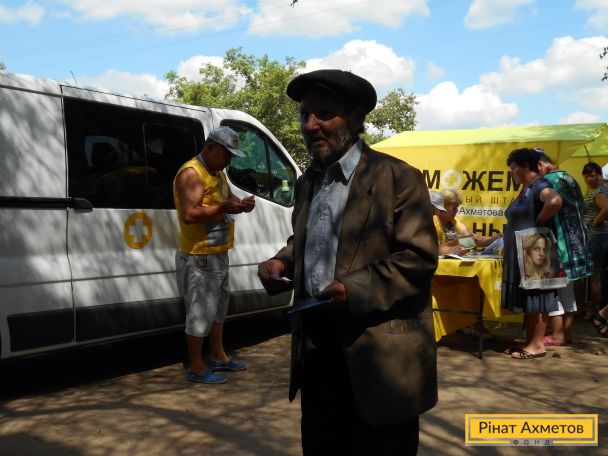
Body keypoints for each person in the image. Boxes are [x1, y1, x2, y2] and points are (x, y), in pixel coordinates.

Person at [257, 69, 438, 455]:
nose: (310, 125)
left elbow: (418, 258)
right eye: (305, 115)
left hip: (379, 358)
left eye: (324, 114)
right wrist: (282, 261)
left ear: (357, 119)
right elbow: (308, 239)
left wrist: (352, 289)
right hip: (316, 351)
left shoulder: (398, 178)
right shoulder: (308, 181)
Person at [173, 126, 255, 384]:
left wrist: (242, 205)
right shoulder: (191, 173)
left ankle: (218, 356)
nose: (229, 160)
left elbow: (229, 200)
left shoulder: (217, 173)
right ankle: (196, 367)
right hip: (199, 257)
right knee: (199, 312)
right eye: (226, 154)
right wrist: (222, 207)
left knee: (218, 309)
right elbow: (188, 214)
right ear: (210, 148)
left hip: (218, 254)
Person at [502, 148, 562, 359]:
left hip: (535, 252)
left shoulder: (540, 186)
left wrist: (541, 220)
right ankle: (530, 341)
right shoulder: (526, 189)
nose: (512, 173)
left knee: (538, 296)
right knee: (530, 298)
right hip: (524, 253)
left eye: (513, 168)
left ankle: (537, 345)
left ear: (526, 166)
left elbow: (554, 201)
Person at [537, 153, 593, 346]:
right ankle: (566, 334)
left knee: (553, 289)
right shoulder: (570, 179)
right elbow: (584, 209)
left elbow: (552, 204)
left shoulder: (548, 181)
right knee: (567, 290)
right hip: (576, 241)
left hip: (559, 241)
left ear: (540, 165)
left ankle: (557, 335)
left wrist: (540, 219)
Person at [433, 188, 502, 256]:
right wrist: (453, 248)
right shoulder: (432, 223)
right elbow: (433, 249)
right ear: (443, 207)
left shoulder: (455, 222)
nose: (456, 211)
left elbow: (473, 241)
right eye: (454, 208)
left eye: (457, 208)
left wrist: (494, 238)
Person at [581, 162, 608, 324]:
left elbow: (607, 209)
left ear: (599, 175)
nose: (589, 179)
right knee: (598, 275)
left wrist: (594, 222)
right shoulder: (597, 190)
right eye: (586, 176)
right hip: (599, 236)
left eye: (592, 175)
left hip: (597, 236)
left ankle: (593, 311)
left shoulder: (599, 192)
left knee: (594, 275)